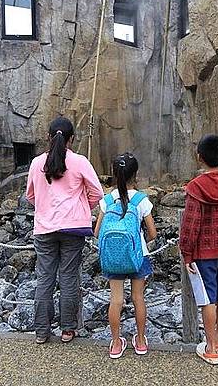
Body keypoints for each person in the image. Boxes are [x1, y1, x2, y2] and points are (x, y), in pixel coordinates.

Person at [26, 117, 104, 344]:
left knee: (45, 278)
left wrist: (45, 207)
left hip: (44, 228)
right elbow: (97, 193)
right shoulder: (80, 162)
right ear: (72, 139)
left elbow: (30, 196)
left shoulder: (36, 163)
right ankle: (68, 330)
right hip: (73, 228)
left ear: (48, 138)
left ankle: (42, 331)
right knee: (69, 277)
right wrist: (81, 208)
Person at [179, 135, 218, 365]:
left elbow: (191, 224)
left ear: (199, 157)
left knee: (207, 300)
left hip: (204, 253)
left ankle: (211, 348)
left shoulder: (195, 187)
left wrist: (187, 252)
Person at [94, 153, 157, 359]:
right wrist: (142, 242)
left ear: (114, 174)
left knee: (116, 300)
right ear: (135, 174)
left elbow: (97, 232)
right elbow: (153, 232)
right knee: (138, 298)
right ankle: (139, 341)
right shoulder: (141, 199)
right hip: (138, 256)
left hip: (113, 257)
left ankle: (115, 344)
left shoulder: (107, 199)